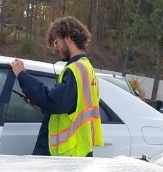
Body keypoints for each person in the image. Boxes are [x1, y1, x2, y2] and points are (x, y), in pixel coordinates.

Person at [9, 16, 103, 157]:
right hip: (76, 153)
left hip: (65, 156)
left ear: (69, 38)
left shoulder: (76, 70)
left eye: (55, 42)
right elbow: (68, 107)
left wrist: (22, 75)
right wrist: (41, 105)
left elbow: (53, 101)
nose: (54, 49)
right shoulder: (87, 69)